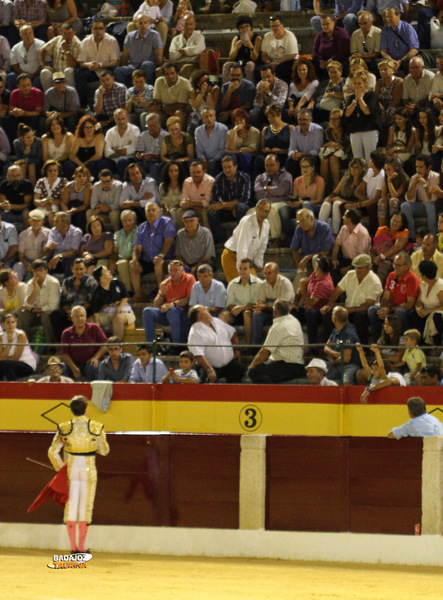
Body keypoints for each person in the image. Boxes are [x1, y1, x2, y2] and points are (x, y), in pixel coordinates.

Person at [47, 394, 109, 554]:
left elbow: (52, 452)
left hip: (72, 467)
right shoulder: (96, 427)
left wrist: (60, 468)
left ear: (71, 410)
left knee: (71, 506)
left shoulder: (64, 427)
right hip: (89, 467)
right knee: (86, 506)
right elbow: (104, 451)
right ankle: (81, 547)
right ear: (86, 410)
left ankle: (73, 548)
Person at [321, 253, 382, 345]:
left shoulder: (374, 281)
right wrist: (329, 304)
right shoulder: (350, 274)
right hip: (349, 309)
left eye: (360, 268)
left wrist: (347, 310)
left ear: (369, 267)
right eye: (356, 267)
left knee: (360, 316)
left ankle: (364, 347)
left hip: (365, 312)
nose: (357, 270)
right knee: (328, 313)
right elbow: (337, 290)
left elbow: (368, 305)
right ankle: (325, 346)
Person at [247, 299, 304, 384]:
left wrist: (250, 368)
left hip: (287, 366)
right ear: (289, 310)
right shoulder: (294, 320)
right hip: (298, 365)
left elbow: (263, 353)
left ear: (274, 312)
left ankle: (271, 394)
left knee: (253, 372)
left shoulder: (277, 328)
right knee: (264, 369)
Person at [368, 251, 420, 340]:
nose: (395, 267)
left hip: (405, 310)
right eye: (394, 264)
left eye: (398, 265)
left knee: (400, 312)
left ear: (408, 266)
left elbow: (409, 304)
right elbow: (385, 297)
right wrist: (383, 309)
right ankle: (380, 341)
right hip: (391, 308)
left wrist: (389, 309)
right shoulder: (392, 276)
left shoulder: (412, 279)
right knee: (372, 310)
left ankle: (404, 341)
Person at [130, 201, 176, 300]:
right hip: (148, 260)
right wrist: (135, 259)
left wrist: (161, 255)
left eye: (153, 210)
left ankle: (161, 293)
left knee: (158, 262)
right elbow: (137, 248)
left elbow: (169, 240)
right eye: (148, 211)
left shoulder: (166, 222)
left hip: (165, 259)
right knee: (132, 264)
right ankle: (138, 294)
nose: (151, 213)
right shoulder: (141, 227)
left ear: (159, 212)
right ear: (145, 214)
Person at [187, 304, 245, 383]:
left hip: (229, 363)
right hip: (209, 366)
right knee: (205, 380)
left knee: (238, 368)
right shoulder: (195, 332)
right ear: (199, 316)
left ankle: (231, 394)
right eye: (204, 309)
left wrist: (237, 349)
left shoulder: (216, 321)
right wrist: (209, 369)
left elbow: (232, 332)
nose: (207, 309)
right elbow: (198, 355)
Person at [143, 259, 195, 347]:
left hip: (182, 311)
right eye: (170, 270)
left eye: (176, 270)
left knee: (172, 311)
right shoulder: (166, 282)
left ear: (182, 271)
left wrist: (172, 304)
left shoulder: (189, 278)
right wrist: (162, 295)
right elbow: (156, 305)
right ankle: (150, 346)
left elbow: (190, 298)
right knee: (147, 311)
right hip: (168, 312)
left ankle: (177, 346)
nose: (172, 273)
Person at [221, 199, 271, 283]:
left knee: (255, 286)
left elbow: (262, 245)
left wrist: (259, 264)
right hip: (232, 256)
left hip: (247, 260)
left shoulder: (266, 224)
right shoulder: (247, 222)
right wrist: (241, 269)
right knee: (239, 287)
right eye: (261, 210)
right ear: (256, 209)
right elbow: (242, 247)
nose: (263, 214)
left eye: (266, 211)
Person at [49, 256, 97, 342]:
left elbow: (91, 301)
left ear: (85, 269)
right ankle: (61, 344)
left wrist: (76, 313)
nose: (79, 271)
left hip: (84, 311)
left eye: (81, 269)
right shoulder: (67, 282)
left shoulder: (91, 281)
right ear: (72, 269)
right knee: (55, 314)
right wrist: (70, 313)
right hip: (69, 312)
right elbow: (63, 300)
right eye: (76, 269)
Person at [75, 18, 120, 106]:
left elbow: (115, 61)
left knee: (116, 70)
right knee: (79, 73)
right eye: (95, 28)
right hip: (92, 71)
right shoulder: (85, 41)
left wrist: (100, 65)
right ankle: (82, 105)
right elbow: (81, 62)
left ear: (104, 29)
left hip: (107, 70)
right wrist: (89, 65)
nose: (98, 31)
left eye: (100, 28)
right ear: (91, 29)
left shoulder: (111, 41)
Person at [318, 158, 367, 236]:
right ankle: (320, 232)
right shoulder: (346, 177)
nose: (353, 169)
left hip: (352, 204)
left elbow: (361, 201)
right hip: (340, 199)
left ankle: (335, 233)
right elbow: (336, 192)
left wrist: (343, 200)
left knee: (337, 204)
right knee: (326, 204)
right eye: (351, 167)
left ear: (361, 169)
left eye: (356, 167)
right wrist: (330, 197)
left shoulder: (364, 182)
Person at [209, 155, 251, 244]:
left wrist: (224, 205)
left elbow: (244, 199)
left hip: (242, 209)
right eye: (224, 167)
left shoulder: (244, 177)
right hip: (227, 210)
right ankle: (220, 241)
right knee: (211, 212)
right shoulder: (218, 179)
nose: (227, 170)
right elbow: (214, 202)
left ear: (236, 167)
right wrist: (231, 207)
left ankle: (242, 239)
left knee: (240, 207)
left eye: (229, 167)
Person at [342, 69, 381, 163]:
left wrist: (360, 99)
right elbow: (347, 114)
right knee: (358, 161)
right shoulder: (351, 98)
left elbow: (367, 111)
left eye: (359, 83)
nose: (357, 86)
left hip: (369, 131)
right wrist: (355, 100)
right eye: (355, 83)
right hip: (355, 132)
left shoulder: (371, 95)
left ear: (365, 83)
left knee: (369, 160)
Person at [17, 258, 60, 344]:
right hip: (34, 312)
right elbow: (27, 304)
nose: (37, 273)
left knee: (45, 315)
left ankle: (50, 346)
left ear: (46, 271)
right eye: (35, 270)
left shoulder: (53, 283)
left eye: (40, 270)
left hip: (49, 312)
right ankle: (24, 344)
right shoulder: (30, 283)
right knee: (23, 314)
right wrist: (35, 289)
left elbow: (52, 306)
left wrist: (33, 310)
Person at [251, 261, 294, 346]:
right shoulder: (263, 284)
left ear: (277, 272)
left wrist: (265, 306)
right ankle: (255, 345)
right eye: (265, 273)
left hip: (285, 314)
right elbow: (261, 302)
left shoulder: (285, 283)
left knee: (277, 313)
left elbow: (282, 307)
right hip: (269, 312)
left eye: (269, 273)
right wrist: (259, 308)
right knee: (256, 315)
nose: (266, 276)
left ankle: (275, 345)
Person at [290, 209, 334, 290]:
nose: (301, 224)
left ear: (311, 218)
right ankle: (295, 301)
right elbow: (295, 249)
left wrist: (308, 257)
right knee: (300, 276)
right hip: (308, 263)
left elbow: (326, 252)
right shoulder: (299, 229)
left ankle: (319, 291)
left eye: (303, 221)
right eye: (298, 222)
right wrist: (298, 266)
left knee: (315, 258)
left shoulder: (324, 228)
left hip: (323, 263)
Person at [61, 304, 107, 381]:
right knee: (61, 367)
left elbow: (105, 345)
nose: (80, 319)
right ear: (72, 318)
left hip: (92, 361)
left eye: (82, 316)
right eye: (77, 316)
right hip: (74, 364)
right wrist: (74, 368)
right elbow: (64, 354)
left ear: (85, 317)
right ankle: (65, 392)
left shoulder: (94, 328)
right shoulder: (66, 333)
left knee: (92, 366)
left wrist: (95, 357)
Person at [114, 14, 163, 87]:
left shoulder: (155, 35)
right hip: (133, 65)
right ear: (136, 25)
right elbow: (125, 56)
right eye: (140, 23)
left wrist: (161, 67)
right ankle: (130, 91)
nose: (143, 25)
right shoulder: (130, 36)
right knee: (118, 71)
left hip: (149, 65)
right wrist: (122, 66)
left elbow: (159, 55)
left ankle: (147, 91)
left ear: (148, 23)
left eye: (145, 22)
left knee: (146, 65)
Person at [254, 153, 292, 244]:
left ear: (278, 164)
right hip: (263, 203)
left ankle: (276, 239)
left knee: (271, 209)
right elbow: (258, 194)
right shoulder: (260, 177)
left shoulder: (286, 175)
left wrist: (265, 189)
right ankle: (254, 240)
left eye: (272, 165)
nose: (269, 168)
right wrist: (272, 191)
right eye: (266, 165)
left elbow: (282, 190)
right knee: (250, 213)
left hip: (282, 202)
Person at [90, 266, 135, 340]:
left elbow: (125, 296)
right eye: (106, 271)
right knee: (90, 321)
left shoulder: (117, 282)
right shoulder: (97, 291)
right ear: (100, 277)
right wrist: (97, 323)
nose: (109, 271)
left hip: (123, 311)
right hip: (106, 313)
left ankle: (116, 346)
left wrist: (120, 306)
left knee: (117, 318)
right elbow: (96, 309)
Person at [401, 154, 440, 239]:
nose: (418, 170)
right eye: (417, 167)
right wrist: (414, 183)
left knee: (430, 205)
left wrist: (425, 184)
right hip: (422, 206)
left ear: (429, 167)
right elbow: (409, 198)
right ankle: (411, 237)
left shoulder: (436, 177)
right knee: (405, 205)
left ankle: (432, 237)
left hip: (434, 206)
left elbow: (431, 198)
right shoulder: (414, 177)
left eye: (421, 167)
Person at [224, 258, 260, 346]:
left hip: (251, 313)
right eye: (240, 268)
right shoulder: (232, 284)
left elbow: (257, 305)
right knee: (223, 315)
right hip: (236, 313)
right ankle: (226, 346)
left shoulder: (258, 283)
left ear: (251, 270)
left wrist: (242, 308)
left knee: (246, 313)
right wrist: (234, 309)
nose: (242, 271)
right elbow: (229, 304)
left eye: (245, 268)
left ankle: (248, 346)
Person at [323, 306, 361, 385]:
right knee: (318, 373)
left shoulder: (348, 333)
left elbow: (346, 359)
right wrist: (335, 354)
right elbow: (326, 348)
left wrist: (333, 361)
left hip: (350, 365)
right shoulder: (335, 330)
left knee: (346, 382)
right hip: (337, 364)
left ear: (334, 319)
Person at [39, 22, 81, 92]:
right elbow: (42, 50)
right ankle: (49, 96)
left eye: (70, 33)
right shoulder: (57, 39)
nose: (68, 36)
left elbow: (74, 65)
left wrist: (67, 51)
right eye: (65, 33)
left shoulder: (78, 44)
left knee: (69, 71)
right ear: (61, 33)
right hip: (56, 72)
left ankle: (70, 94)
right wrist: (43, 65)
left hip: (68, 74)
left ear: (74, 33)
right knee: (44, 72)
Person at [64, 115, 108, 181]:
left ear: (95, 127)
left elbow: (98, 155)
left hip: (93, 163)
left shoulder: (99, 136)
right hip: (79, 163)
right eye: (86, 127)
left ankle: (92, 184)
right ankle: (73, 184)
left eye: (91, 127)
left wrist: (85, 164)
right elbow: (72, 155)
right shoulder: (78, 137)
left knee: (92, 164)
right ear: (82, 128)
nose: (89, 130)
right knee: (68, 164)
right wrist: (81, 165)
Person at [372, 212, 409, 286]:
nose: (394, 223)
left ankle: (377, 288)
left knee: (384, 265)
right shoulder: (381, 230)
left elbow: (398, 247)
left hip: (391, 260)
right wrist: (373, 258)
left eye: (398, 222)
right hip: (378, 257)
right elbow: (374, 247)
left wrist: (381, 257)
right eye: (393, 220)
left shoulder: (404, 232)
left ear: (402, 224)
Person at [222, 14, 262, 84]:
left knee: (249, 65)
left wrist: (251, 47)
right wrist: (236, 48)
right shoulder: (236, 39)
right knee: (227, 65)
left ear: (250, 27)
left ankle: (250, 88)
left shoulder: (257, 38)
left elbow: (255, 58)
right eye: (242, 27)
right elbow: (231, 57)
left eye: (247, 26)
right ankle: (227, 88)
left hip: (251, 62)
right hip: (239, 62)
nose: (245, 29)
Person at [331, 210, 372, 276]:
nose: (342, 217)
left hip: (359, 263)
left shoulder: (363, 233)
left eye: (344, 215)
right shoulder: (344, 228)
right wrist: (334, 259)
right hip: (344, 260)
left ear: (349, 219)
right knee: (332, 267)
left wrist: (348, 268)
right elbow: (337, 244)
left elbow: (361, 256)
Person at [260, 14, 299, 84]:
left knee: (282, 69)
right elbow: (263, 54)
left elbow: (292, 54)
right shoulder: (267, 36)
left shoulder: (289, 36)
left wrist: (278, 63)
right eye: (272, 26)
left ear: (282, 25)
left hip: (286, 61)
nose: (275, 28)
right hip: (271, 62)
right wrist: (268, 63)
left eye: (277, 25)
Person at [285, 109, 323, 180]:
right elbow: (291, 149)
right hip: (298, 156)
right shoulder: (295, 130)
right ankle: (293, 187)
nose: (302, 122)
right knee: (290, 162)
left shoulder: (318, 130)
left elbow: (316, 151)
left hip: (312, 156)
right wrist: (293, 153)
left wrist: (302, 154)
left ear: (311, 119)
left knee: (310, 161)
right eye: (300, 119)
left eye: (305, 119)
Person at [104, 108, 140, 181]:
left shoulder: (134, 130)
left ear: (127, 118)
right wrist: (122, 150)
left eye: (123, 118)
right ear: (115, 120)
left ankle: (124, 186)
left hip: (129, 160)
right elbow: (106, 152)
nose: (121, 121)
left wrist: (115, 150)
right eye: (118, 119)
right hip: (113, 161)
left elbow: (133, 148)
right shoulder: (109, 132)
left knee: (122, 161)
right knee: (101, 163)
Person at [152, 62, 191, 129]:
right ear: (164, 74)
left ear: (177, 73)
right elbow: (156, 101)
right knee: (152, 115)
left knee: (179, 113)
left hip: (179, 111)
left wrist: (165, 107)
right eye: (167, 74)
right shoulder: (159, 81)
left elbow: (182, 105)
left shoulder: (184, 82)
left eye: (172, 73)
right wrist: (163, 108)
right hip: (162, 110)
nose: (170, 76)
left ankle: (181, 136)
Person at [43, 210, 82, 277]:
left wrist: (59, 256)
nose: (54, 224)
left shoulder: (76, 232)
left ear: (65, 223)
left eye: (56, 221)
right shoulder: (53, 230)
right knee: (44, 261)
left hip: (67, 259)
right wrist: (49, 247)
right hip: (55, 261)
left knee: (71, 260)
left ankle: (67, 284)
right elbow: (47, 246)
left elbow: (73, 251)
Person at [175, 210, 215, 275]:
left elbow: (208, 255)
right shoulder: (180, 234)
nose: (188, 224)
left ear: (197, 220)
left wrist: (195, 267)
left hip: (201, 263)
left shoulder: (206, 233)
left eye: (191, 220)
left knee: (206, 266)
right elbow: (178, 254)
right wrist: (185, 266)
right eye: (186, 221)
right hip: (185, 264)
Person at [319, 108, 350, 191]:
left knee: (333, 158)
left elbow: (348, 147)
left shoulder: (346, 131)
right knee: (324, 159)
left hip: (344, 157)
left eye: (335, 119)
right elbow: (323, 145)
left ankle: (336, 186)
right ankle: (323, 185)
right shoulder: (328, 131)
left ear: (341, 119)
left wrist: (339, 146)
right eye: (331, 119)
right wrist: (329, 144)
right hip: (330, 155)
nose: (333, 121)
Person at [380, 7, 419, 73]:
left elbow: (414, 49)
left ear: (398, 15)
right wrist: (391, 61)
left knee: (410, 61)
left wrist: (401, 61)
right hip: (391, 60)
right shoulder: (385, 30)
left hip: (405, 59)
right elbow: (383, 51)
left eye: (391, 16)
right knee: (380, 63)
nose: (388, 19)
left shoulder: (407, 28)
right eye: (387, 17)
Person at [7, 24, 45, 91]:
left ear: (33, 33)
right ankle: (12, 98)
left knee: (39, 80)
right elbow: (14, 65)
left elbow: (45, 62)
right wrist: (23, 73)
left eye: (30, 33)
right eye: (25, 34)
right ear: (21, 36)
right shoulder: (15, 48)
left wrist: (35, 74)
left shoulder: (41, 45)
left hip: (37, 75)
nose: (28, 36)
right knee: (10, 76)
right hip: (21, 74)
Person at [250, 65, 288, 130]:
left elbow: (280, 104)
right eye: (263, 77)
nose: (266, 80)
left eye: (268, 77)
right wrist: (260, 93)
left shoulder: (282, 84)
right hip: (265, 110)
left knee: (284, 112)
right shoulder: (260, 84)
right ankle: (257, 134)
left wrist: (269, 92)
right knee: (253, 113)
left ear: (273, 75)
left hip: (277, 110)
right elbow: (256, 105)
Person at [0, 311, 36, 380]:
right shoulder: (1, 337)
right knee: (4, 365)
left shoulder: (21, 335)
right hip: (8, 364)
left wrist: (3, 358)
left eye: (13, 322)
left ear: (16, 324)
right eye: (8, 323)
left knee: (5, 364)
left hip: (26, 364)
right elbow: (1, 354)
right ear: (3, 324)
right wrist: (9, 343)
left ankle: (13, 388)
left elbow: (16, 357)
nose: (11, 325)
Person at [312, 14, 350, 79]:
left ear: (333, 23)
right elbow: (315, 52)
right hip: (323, 62)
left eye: (327, 24)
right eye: (323, 25)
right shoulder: (319, 35)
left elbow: (343, 51)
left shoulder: (341, 33)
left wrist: (331, 61)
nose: (325, 27)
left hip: (338, 60)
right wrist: (321, 60)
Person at [168, 13, 204, 79]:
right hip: (176, 64)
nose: (188, 27)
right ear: (182, 25)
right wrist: (189, 53)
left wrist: (182, 50)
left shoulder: (200, 37)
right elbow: (171, 55)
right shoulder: (176, 39)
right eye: (186, 24)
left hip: (193, 65)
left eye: (190, 24)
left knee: (185, 69)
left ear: (194, 25)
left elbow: (197, 50)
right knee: (160, 70)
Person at [225, 108, 260, 176]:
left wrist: (235, 151)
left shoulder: (254, 131)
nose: (238, 122)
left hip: (250, 156)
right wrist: (234, 132)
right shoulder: (230, 133)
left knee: (244, 155)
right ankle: (232, 178)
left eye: (241, 120)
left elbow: (252, 149)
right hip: (235, 156)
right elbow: (231, 148)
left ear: (246, 120)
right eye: (236, 121)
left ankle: (245, 178)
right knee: (230, 156)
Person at [194, 108, 227, 178]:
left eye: (211, 115)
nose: (209, 119)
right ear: (202, 119)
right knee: (193, 163)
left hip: (218, 159)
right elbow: (198, 149)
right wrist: (203, 160)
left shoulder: (223, 129)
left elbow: (223, 149)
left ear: (215, 116)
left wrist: (214, 160)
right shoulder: (198, 131)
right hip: (204, 159)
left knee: (213, 164)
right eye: (206, 116)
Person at [33, 160, 67, 228]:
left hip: (56, 206)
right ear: (46, 171)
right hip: (42, 206)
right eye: (50, 170)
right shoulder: (41, 181)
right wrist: (43, 203)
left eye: (55, 170)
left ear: (58, 171)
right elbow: (35, 200)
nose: (52, 173)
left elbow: (64, 201)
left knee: (51, 215)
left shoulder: (63, 182)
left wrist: (51, 201)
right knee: (34, 217)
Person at [60, 165, 92, 232]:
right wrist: (67, 211)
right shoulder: (68, 186)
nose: (82, 178)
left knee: (80, 217)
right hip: (70, 207)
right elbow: (64, 202)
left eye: (84, 176)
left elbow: (86, 204)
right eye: (79, 176)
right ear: (75, 176)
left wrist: (74, 211)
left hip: (82, 208)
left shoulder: (88, 187)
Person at [135, 112, 167, 180]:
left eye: (153, 125)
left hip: (159, 162)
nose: (150, 128)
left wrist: (153, 156)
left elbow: (166, 156)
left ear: (159, 124)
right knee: (136, 167)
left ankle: (154, 188)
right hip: (145, 162)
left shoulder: (165, 136)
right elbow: (139, 151)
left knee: (154, 167)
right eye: (148, 126)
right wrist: (139, 155)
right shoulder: (143, 135)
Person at [287, 58, 318, 124]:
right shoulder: (293, 84)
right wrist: (291, 107)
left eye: (304, 70)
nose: (302, 72)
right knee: (287, 112)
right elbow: (291, 97)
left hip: (306, 106)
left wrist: (298, 107)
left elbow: (307, 95)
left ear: (308, 70)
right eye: (299, 70)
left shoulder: (314, 82)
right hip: (296, 106)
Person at [376, 59, 403, 133]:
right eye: (381, 70)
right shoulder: (379, 82)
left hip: (394, 106)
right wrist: (382, 108)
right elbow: (376, 98)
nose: (382, 72)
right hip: (382, 106)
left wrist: (385, 110)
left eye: (385, 69)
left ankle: (393, 133)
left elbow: (396, 100)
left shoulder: (398, 82)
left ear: (393, 70)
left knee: (390, 111)